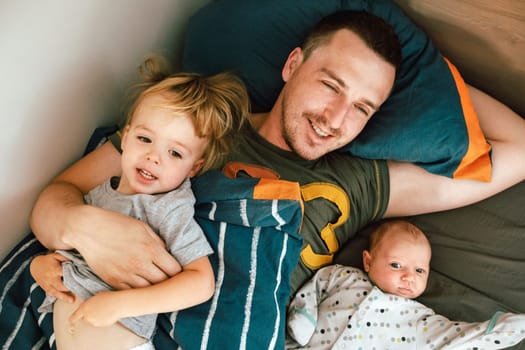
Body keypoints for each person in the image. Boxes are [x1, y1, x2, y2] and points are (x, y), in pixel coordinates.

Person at [27, 9, 525, 343]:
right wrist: (90, 228)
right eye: (331, 85)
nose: (334, 118)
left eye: (362, 108)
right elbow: (56, 201)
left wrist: (421, 63)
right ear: (292, 65)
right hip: (110, 316)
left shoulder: (359, 183)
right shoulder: (195, 128)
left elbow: (519, 148)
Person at [29, 56, 250, 350]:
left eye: (174, 153)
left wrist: (119, 305)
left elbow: (200, 283)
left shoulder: (167, 207)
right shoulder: (96, 196)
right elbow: (67, 251)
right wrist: (39, 267)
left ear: (193, 169)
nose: (154, 157)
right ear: (127, 136)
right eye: (145, 139)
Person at [286, 220, 525, 349]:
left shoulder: (418, 318)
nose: (409, 277)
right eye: (397, 265)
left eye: (419, 270)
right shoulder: (345, 277)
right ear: (368, 261)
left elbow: (454, 339)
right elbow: (318, 284)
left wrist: (506, 329)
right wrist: (303, 316)